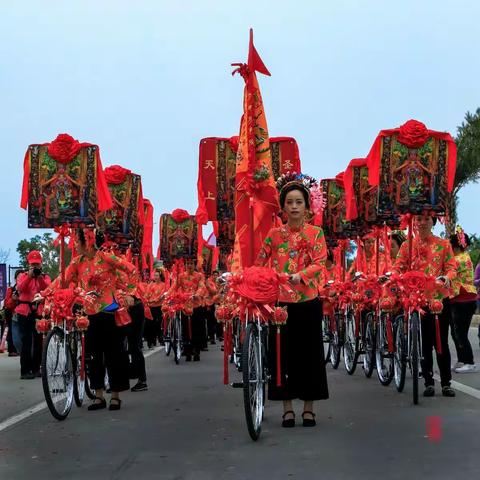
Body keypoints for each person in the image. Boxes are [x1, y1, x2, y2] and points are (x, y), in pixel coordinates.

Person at [256, 179, 328, 428]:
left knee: (310, 354)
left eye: (299, 202)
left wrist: (302, 275)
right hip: (280, 304)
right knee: (282, 355)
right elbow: (260, 260)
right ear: (283, 208)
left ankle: (309, 407)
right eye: (289, 203)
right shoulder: (274, 235)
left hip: (308, 300)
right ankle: (287, 408)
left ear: (307, 206)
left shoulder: (316, 233)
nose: (294, 207)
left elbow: (320, 262)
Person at [43, 230, 135, 410]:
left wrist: (129, 293)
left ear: (89, 243)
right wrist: (44, 293)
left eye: (78, 241)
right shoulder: (77, 262)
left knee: (113, 355)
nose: (75, 245)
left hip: (110, 311)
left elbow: (131, 270)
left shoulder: (108, 258)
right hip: (89, 313)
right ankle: (99, 396)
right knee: (93, 356)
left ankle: (115, 396)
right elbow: (62, 280)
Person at [393, 213, 457, 397]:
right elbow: (399, 266)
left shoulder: (444, 244)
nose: (421, 223)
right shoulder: (407, 245)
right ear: (413, 221)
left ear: (433, 222)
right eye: (418, 219)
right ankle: (428, 381)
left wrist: (447, 277)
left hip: (438, 299)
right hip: (416, 299)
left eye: (426, 219)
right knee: (424, 342)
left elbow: (451, 267)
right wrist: (394, 275)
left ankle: (446, 382)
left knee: (441, 341)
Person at [15, 251, 51, 379]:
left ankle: (36, 369)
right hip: (24, 311)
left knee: (37, 341)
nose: (35, 267)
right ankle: (25, 371)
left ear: (41, 264)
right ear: (28, 264)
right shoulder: (23, 276)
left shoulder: (45, 276)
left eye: (37, 264)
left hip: (38, 312)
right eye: (33, 264)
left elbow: (47, 289)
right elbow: (20, 288)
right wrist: (29, 276)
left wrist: (39, 277)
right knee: (26, 341)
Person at [448, 228, 477, 373]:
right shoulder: (463, 257)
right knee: (455, 332)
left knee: (461, 333)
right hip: (460, 300)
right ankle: (461, 359)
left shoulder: (459, 260)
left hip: (464, 300)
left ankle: (469, 362)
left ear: (455, 247)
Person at [169, 259, 207, 361]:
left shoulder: (199, 276)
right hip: (184, 305)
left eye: (191, 264)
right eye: (188, 264)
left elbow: (202, 287)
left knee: (197, 329)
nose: (189, 265)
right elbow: (174, 287)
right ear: (185, 265)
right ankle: (187, 350)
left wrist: (197, 294)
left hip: (196, 304)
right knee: (185, 328)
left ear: (194, 265)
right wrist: (167, 294)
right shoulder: (181, 276)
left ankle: (196, 351)